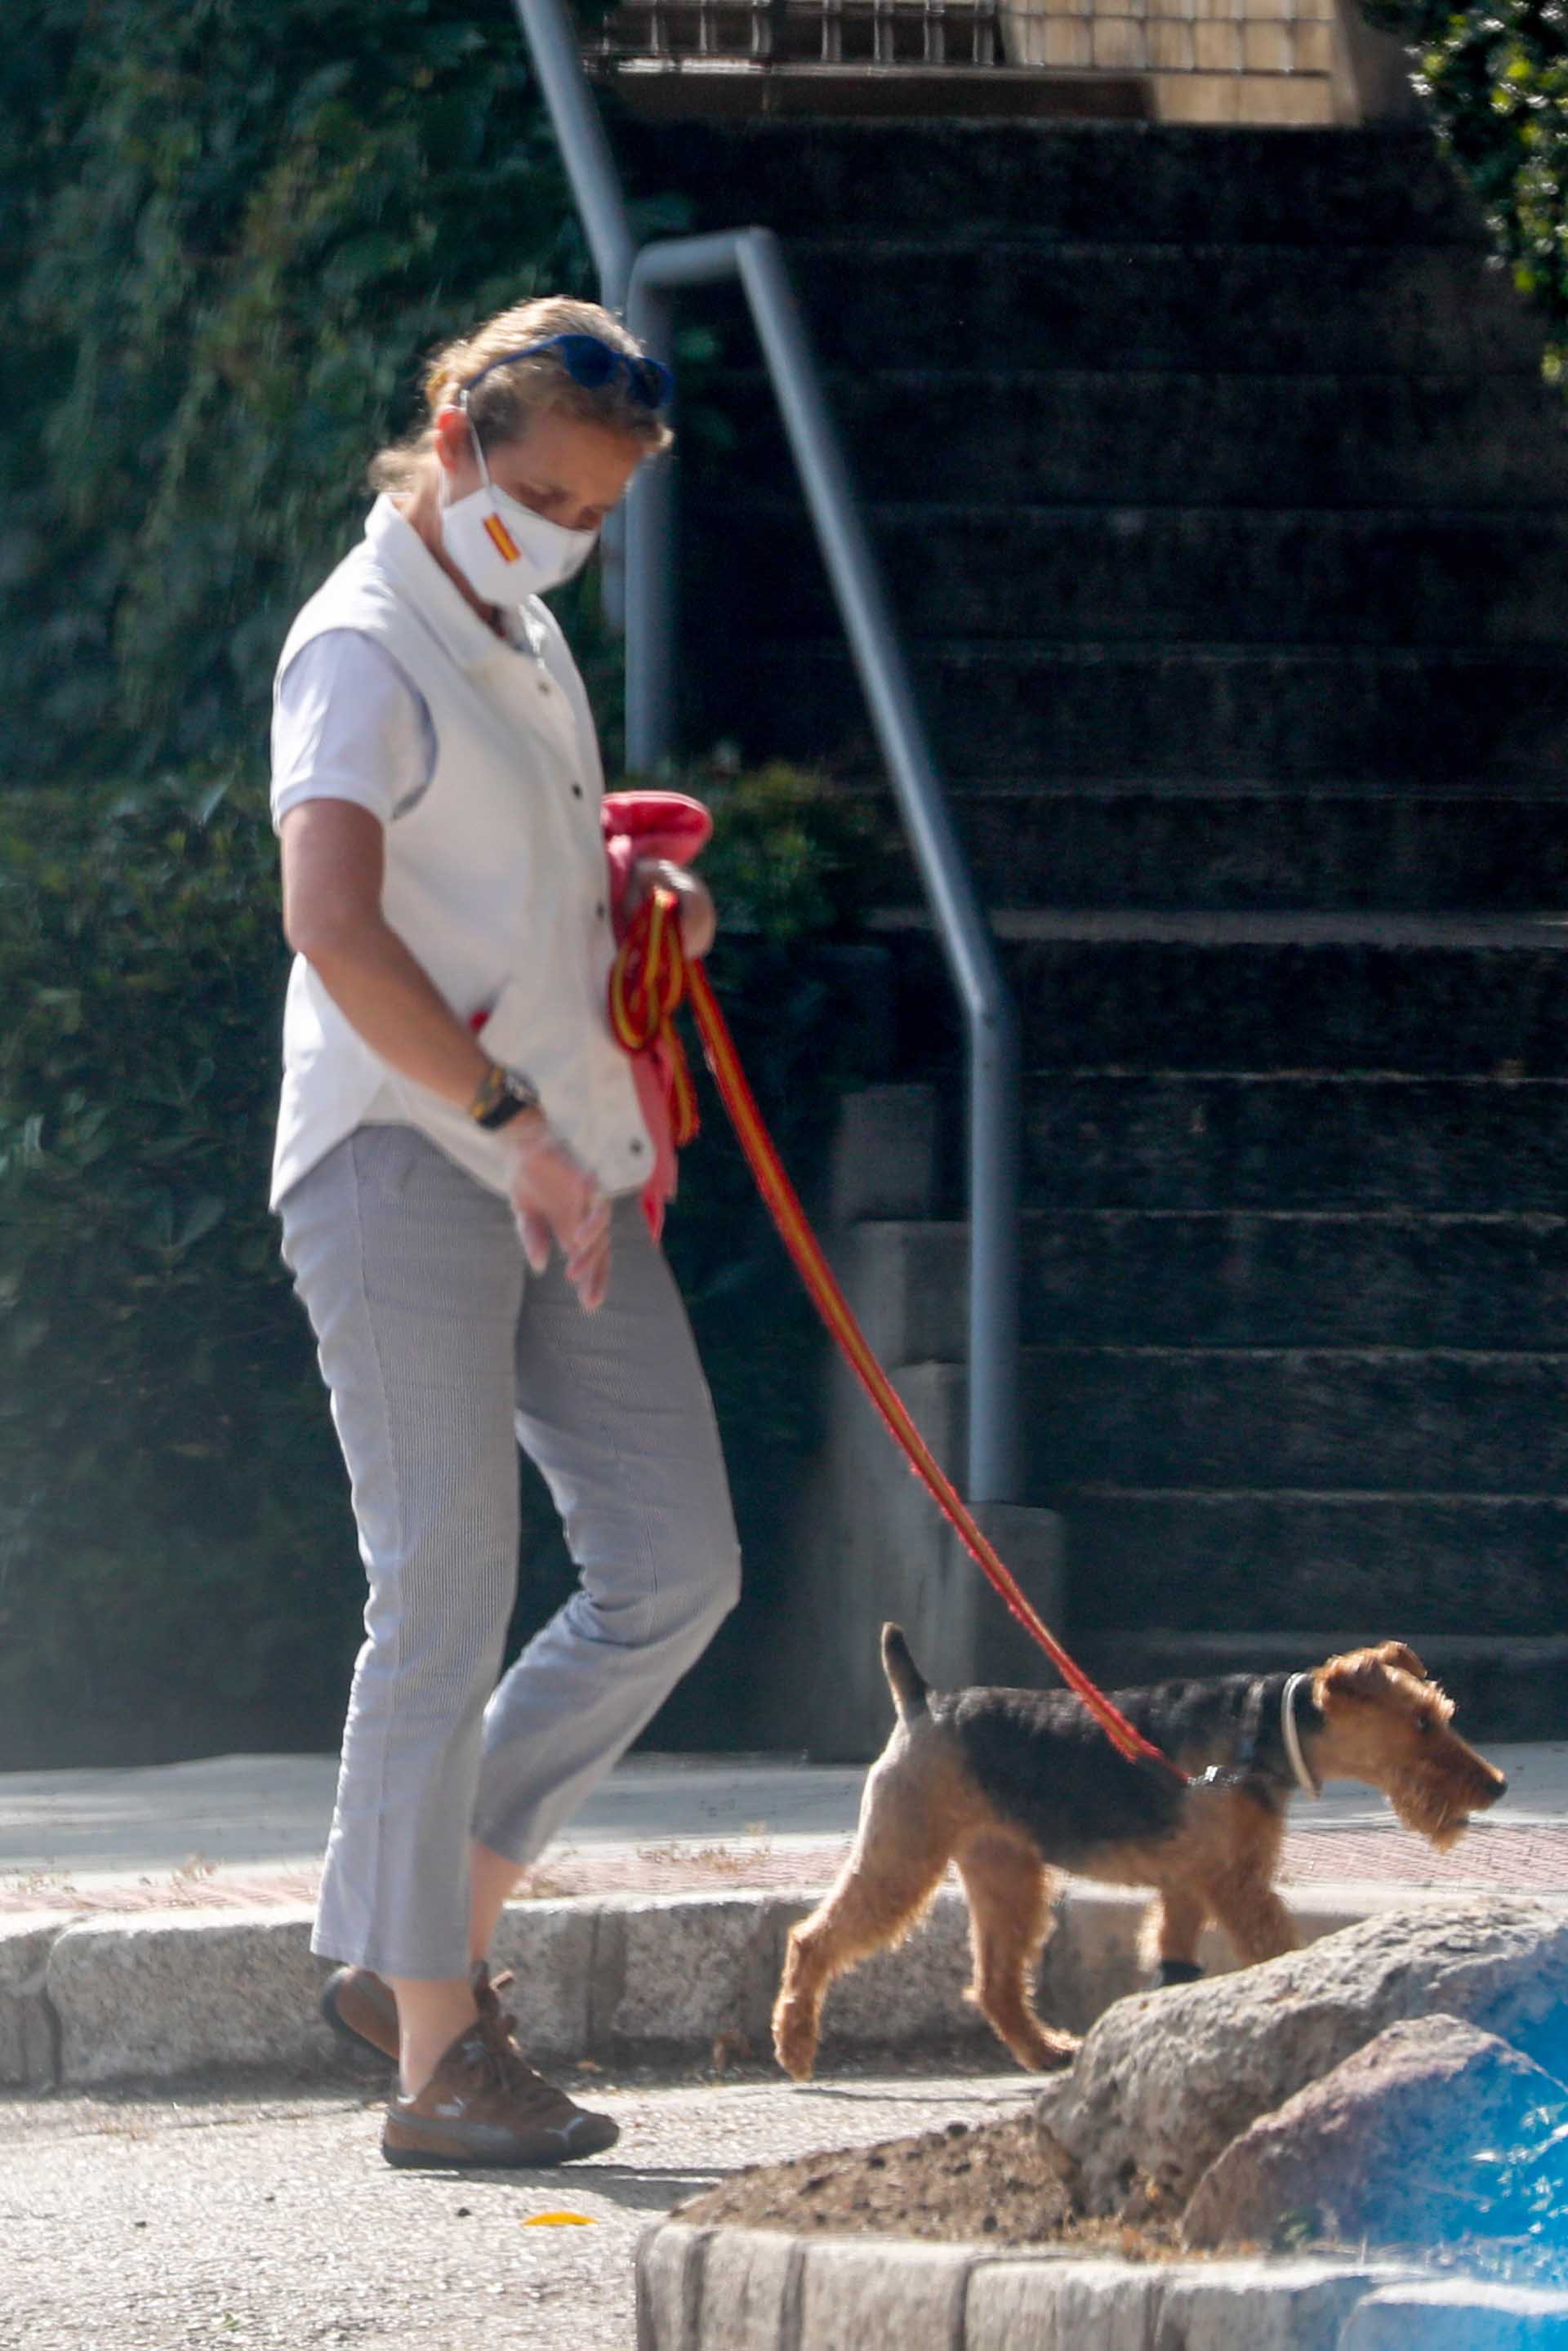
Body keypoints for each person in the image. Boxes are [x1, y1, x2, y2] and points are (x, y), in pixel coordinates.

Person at [269, 294, 741, 2169]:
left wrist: (637, 890)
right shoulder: (359, 644)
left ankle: (419, 1942)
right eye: (555, 494)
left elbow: (509, 879)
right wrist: (509, 1125)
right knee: (445, 1585)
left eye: (603, 512)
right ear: (456, 438)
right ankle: (437, 2067)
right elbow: (334, 923)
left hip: (566, 1157)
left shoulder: (518, 625)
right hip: (407, 1159)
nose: (576, 535)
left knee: (675, 1566)